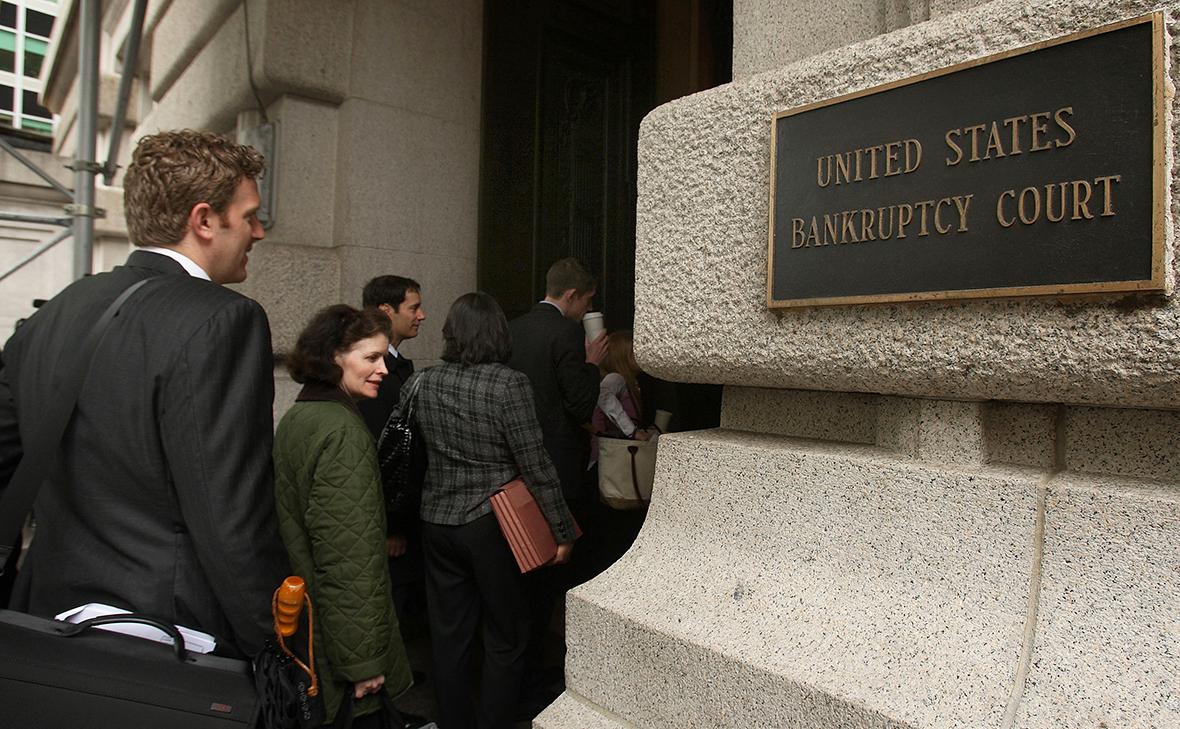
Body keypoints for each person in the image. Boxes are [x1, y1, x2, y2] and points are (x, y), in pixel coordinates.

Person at [0, 129, 288, 657]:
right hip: (166, 640)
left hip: (44, 623)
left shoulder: (57, 312)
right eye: (249, 216)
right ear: (204, 220)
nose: (259, 231)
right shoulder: (224, 319)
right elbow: (232, 521)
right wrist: (279, 650)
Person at [406, 292, 577, 729]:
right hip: (493, 524)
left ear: (451, 334)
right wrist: (561, 530)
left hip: (436, 522)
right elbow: (534, 463)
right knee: (507, 635)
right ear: (499, 334)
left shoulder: (423, 381)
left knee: (449, 636)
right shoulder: (508, 384)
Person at [273, 305, 413, 727]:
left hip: (315, 633)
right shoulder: (342, 432)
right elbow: (349, 561)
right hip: (342, 657)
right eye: (371, 357)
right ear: (334, 356)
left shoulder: (300, 416)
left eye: (384, 357)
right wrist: (363, 663)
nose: (383, 369)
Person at [356, 275, 428, 635]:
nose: (422, 316)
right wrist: (393, 525)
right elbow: (385, 452)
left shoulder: (398, 367)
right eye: (414, 308)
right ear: (387, 311)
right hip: (387, 524)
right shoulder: (377, 375)